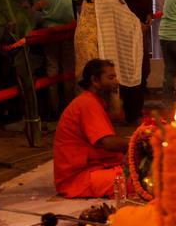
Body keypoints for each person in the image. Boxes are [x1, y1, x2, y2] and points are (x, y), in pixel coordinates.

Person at [52, 59, 129, 198]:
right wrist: (139, 142)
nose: (116, 82)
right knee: (139, 180)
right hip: (78, 179)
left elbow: (116, 115)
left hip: (92, 169)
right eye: (111, 78)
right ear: (95, 80)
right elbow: (108, 143)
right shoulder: (87, 103)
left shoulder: (93, 101)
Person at [74, 0, 144, 96]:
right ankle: (98, 112)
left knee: (88, 79)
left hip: (84, 39)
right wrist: (137, 23)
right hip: (95, 41)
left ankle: (87, 111)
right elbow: (121, 18)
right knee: (97, 80)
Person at [28, 0, 81, 122]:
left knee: (52, 69)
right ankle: (70, 106)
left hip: (48, 31)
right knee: (68, 68)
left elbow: (36, 7)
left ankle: (54, 108)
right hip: (68, 30)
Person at [118, 0, 161, 123]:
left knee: (144, 68)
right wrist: (135, 23)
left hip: (142, 27)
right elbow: (120, 1)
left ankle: (137, 109)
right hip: (126, 28)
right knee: (130, 69)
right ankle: (129, 113)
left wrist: (149, 14)